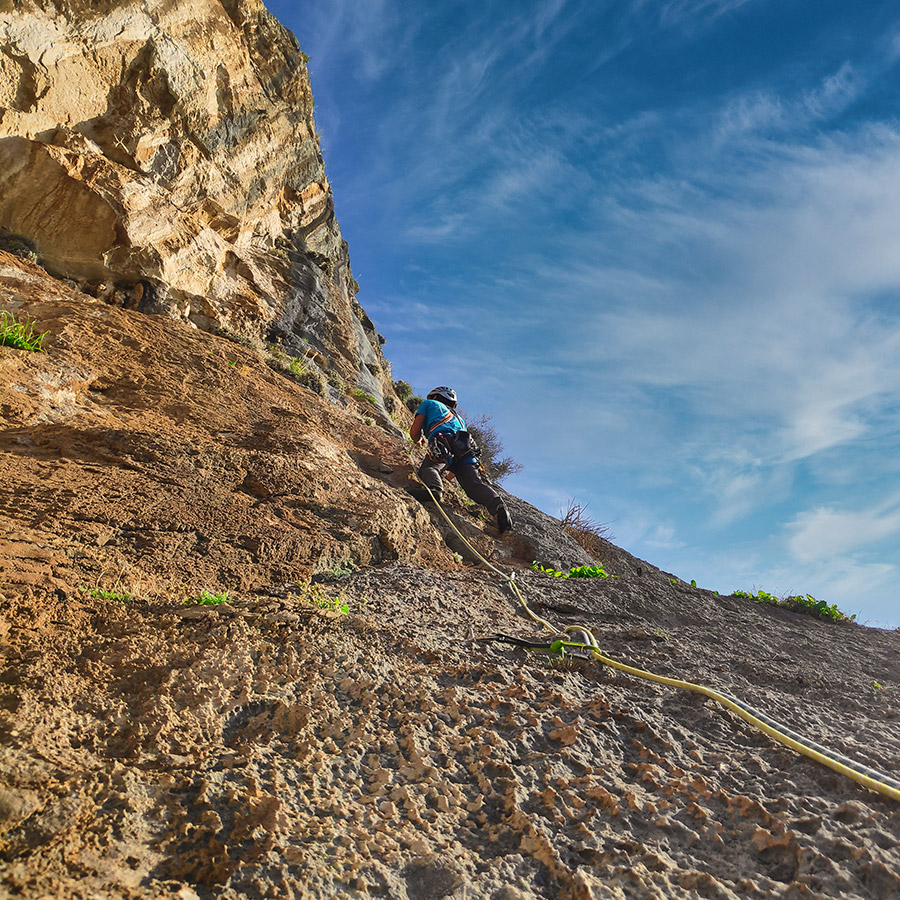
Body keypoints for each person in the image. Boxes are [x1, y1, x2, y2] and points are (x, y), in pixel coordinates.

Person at [409, 386, 513, 534]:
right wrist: (451, 474)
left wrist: (417, 440)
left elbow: (414, 432)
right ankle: (498, 507)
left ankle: (435, 491)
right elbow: (455, 471)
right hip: (465, 448)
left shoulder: (429, 404)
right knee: (474, 486)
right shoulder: (460, 420)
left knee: (429, 469)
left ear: (435, 397)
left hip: (442, 440)